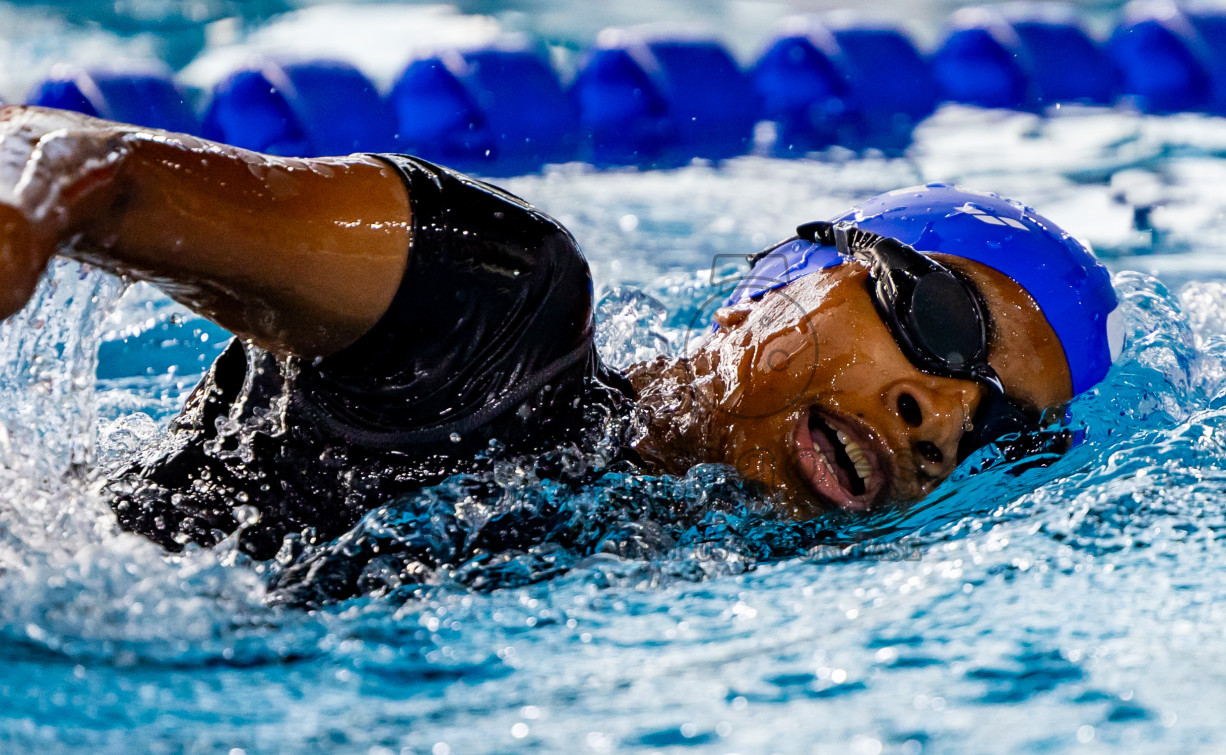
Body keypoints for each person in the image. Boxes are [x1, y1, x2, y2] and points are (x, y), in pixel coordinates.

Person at [0, 105, 1122, 601]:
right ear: (790, 272)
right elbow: (66, 156)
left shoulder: (719, 602)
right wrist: (25, 219)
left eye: (998, 429)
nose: (940, 420)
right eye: (943, 328)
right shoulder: (492, 308)